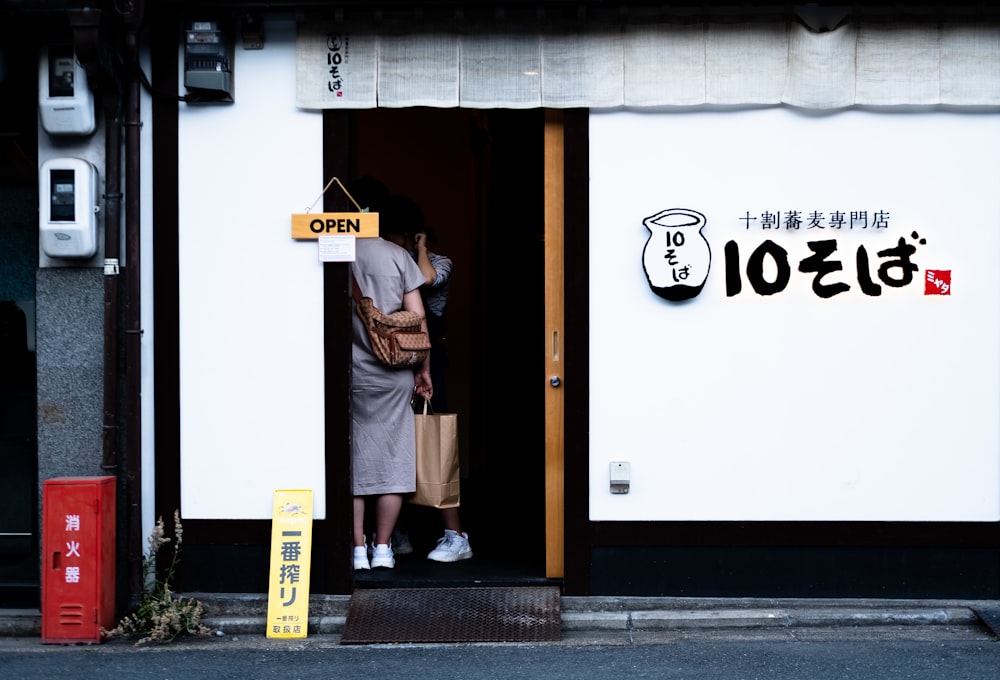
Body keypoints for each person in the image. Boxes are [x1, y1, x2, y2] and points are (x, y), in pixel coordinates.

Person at [380, 194, 472, 564]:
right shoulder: (391, 261)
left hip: (428, 358)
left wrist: (419, 248)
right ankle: (396, 533)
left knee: (434, 441)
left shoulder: (436, 262)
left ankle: (456, 534)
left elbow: (428, 279)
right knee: (398, 443)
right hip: (398, 358)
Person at [349, 204, 433, 571]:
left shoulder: (338, 251)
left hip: (351, 373)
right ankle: (383, 547)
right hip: (395, 373)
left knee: (353, 461)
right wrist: (424, 369)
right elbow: (418, 318)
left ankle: (356, 549)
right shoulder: (398, 255)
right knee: (394, 458)